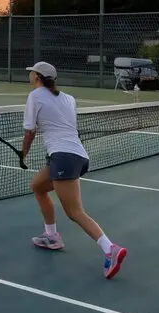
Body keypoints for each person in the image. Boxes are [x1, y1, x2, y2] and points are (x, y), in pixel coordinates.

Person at [21, 61, 127, 280]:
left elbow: (30, 132)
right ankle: (51, 236)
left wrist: (23, 154)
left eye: (31, 72)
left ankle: (110, 249)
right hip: (77, 156)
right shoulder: (69, 99)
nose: (29, 75)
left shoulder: (36, 96)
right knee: (38, 186)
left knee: (74, 212)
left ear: (38, 77)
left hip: (63, 158)